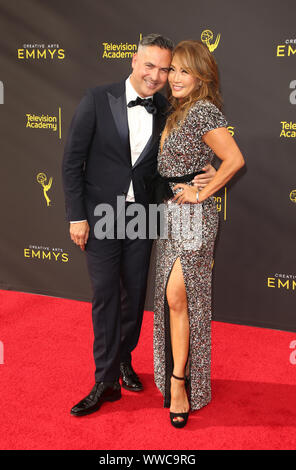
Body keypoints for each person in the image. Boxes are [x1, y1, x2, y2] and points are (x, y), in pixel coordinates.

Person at [62, 34, 215, 417]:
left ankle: (125, 359)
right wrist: (77, 217)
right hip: (101, 216)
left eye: (165, 69)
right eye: (151, 66)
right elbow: (71, 163)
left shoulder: (166, 108)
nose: (158, 75)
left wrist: (207, 171)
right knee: (105, 296)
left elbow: (182, 151)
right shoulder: (97, 99)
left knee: (134, 294)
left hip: (143, 216)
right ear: (133, 60)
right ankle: (105, 380)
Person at [153, 40, 245, 428]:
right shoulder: (179, 110)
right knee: (175, 300)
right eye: (172, 69)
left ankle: (179, 384)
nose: (174, 77)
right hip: (170, 213)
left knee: (178, 293)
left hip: (194, 215)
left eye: (184, 71)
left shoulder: (203, 110)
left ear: (201, 76)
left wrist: (202, 190)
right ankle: (180, 373)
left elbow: (235, 159)